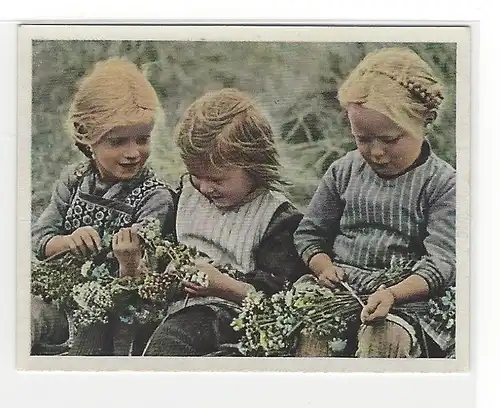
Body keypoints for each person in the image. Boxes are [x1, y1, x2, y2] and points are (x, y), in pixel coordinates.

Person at [293, 47, 456, 358]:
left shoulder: (443, 184)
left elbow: (442, 263)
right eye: (363, 139)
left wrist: (394, 293)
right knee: (314, 336)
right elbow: (309, 234)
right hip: (340, 289)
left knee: (385, 340)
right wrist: (322, 265)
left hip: (406, 297)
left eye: (391, 139)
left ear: (426, 121)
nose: (377, 153)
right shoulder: (344, 171)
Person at [142, 88, 308, 356]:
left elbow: (275, 297)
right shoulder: (185, 197)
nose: (205, 188)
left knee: (172, 342)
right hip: (172, 302)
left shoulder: (277, 218)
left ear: (254, 166)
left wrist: (222, 286)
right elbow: (164, 245)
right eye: (197, 176)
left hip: (228, 314)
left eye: (217, 179)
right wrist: (166, 266)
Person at [30, 58, 176, 356]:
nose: (133, 153)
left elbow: (145, 282)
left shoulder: (155, 197)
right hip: (61, 298)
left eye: (142, 139)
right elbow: (38, 239)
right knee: (23, 315)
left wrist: (129, 262)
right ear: (87, 137)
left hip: (118, 314)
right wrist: (67, 241)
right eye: (118, 141)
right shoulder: (74, 180)